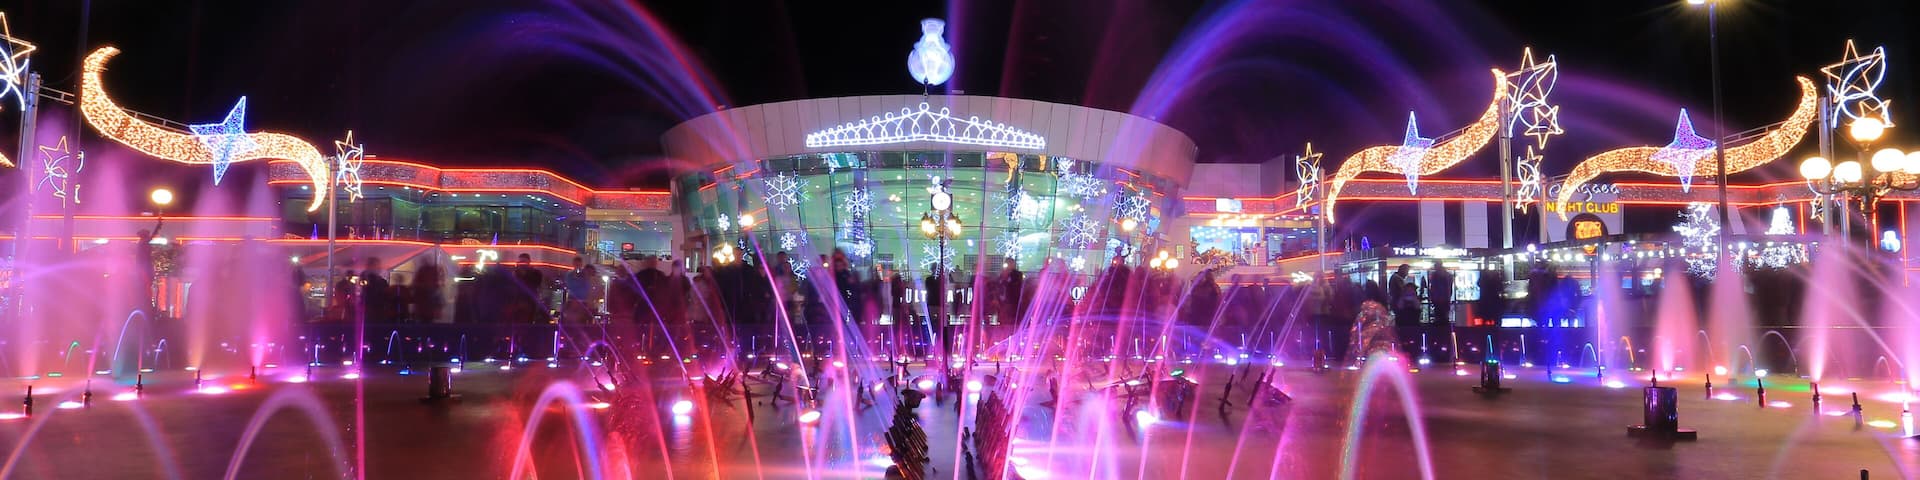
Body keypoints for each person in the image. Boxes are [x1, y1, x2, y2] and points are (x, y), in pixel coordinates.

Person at [511, 253, 546, 323]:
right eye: (521, 262)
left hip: (529, 301)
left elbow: (536, 284)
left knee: (528, 322)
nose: (522, 264)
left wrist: (524, 274)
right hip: (516, 302)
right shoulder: (515, 273)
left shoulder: (536, 273)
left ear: (529, 262)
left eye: (524, 262)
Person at [360, 258, 390, 323]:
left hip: (372, 313)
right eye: (377, 266)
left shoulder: (365, 279)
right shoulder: (380, 282)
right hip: (374, 313)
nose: (380, 268)